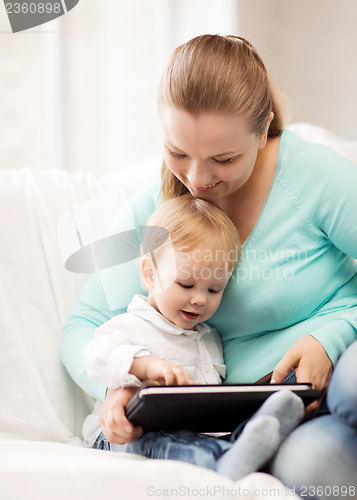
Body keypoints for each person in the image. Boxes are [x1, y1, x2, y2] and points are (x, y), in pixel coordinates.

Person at [61, 34, 357, 498]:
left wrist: (334, 335)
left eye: (224, 158)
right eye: (178, 153)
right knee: (319, 471)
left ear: (263, 133)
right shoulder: (151, 220)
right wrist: (120, 390)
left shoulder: (313, 178)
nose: (197, 180)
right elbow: (85, 325)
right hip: (270, 413)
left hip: (346, 356)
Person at [82, 194, 305, 481]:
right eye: (186, 284)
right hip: (121, 438)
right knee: (161, 442)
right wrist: (148, 366)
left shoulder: (208, 338)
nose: (200, 300)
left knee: (205, 437)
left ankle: (257, 429)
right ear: (150, 273)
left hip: (192, 434)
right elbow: (97, 355)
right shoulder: (132, 325)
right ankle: (222, 462)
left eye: (214, 290)